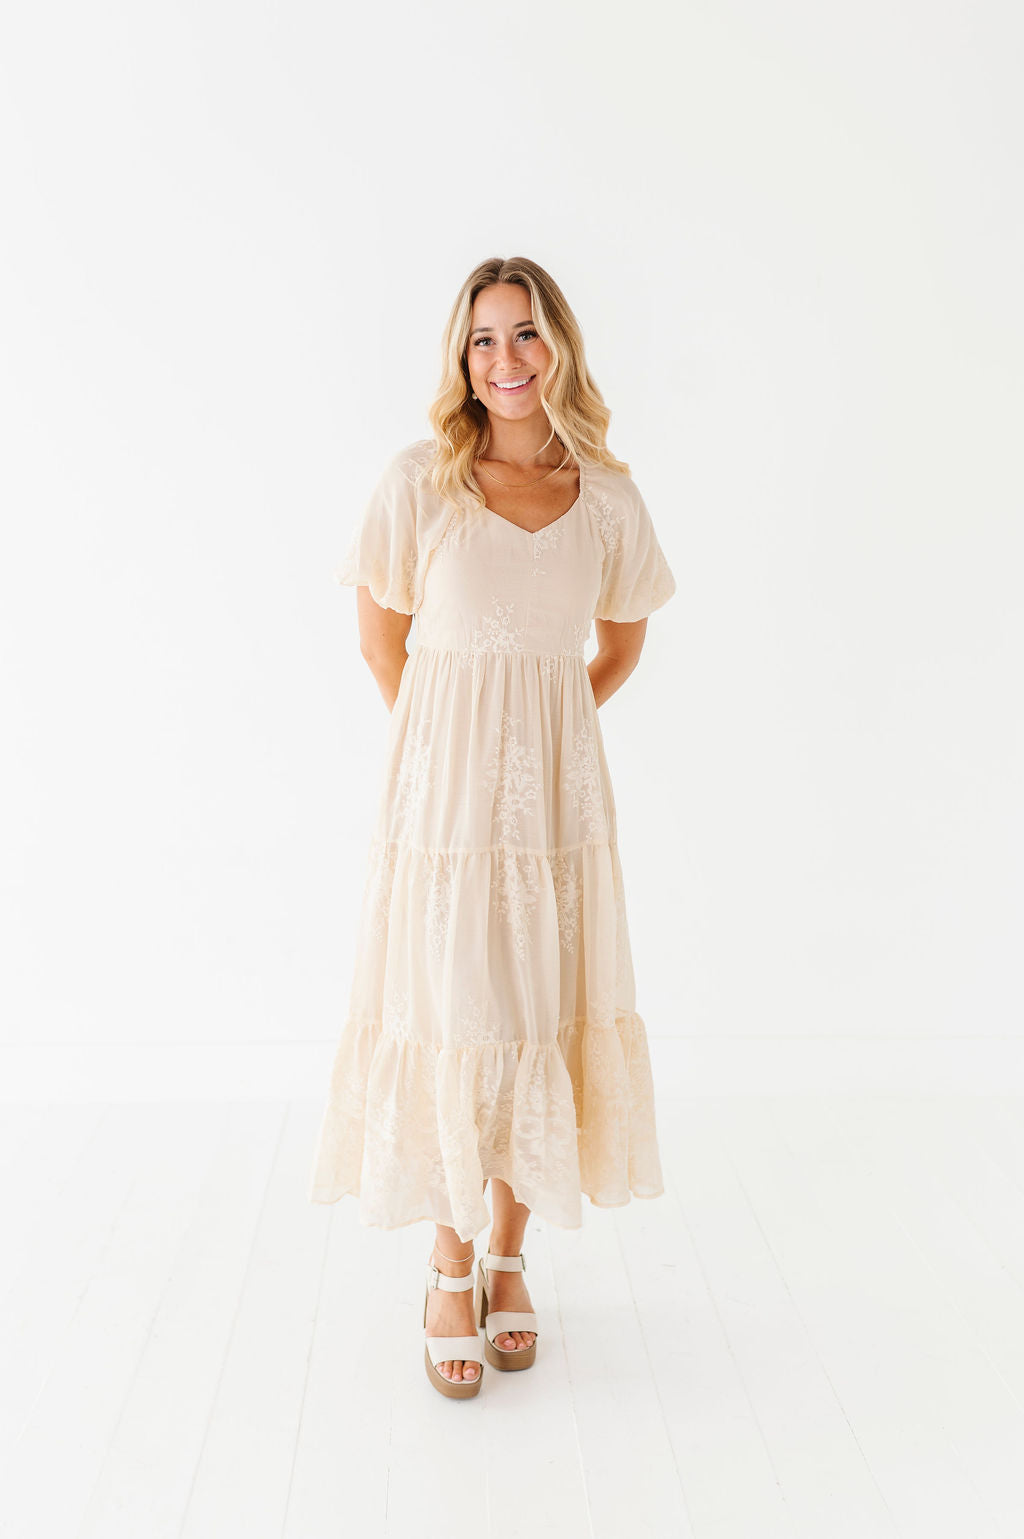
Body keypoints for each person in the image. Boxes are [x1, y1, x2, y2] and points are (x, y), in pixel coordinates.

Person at [308, 255, 677, 1399]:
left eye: (524, 334)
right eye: (483, 338)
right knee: (451, 1011)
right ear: (461, 359)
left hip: (556, 815)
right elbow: (382, 644)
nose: (505, 358)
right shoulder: (419, 483)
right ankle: (449, 1260)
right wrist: (449, 761)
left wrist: (544, 744)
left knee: (537, 1014)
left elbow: (616, 647)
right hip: (441, 817)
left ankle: (510, 1259)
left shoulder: (606, 498)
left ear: (557, 346)